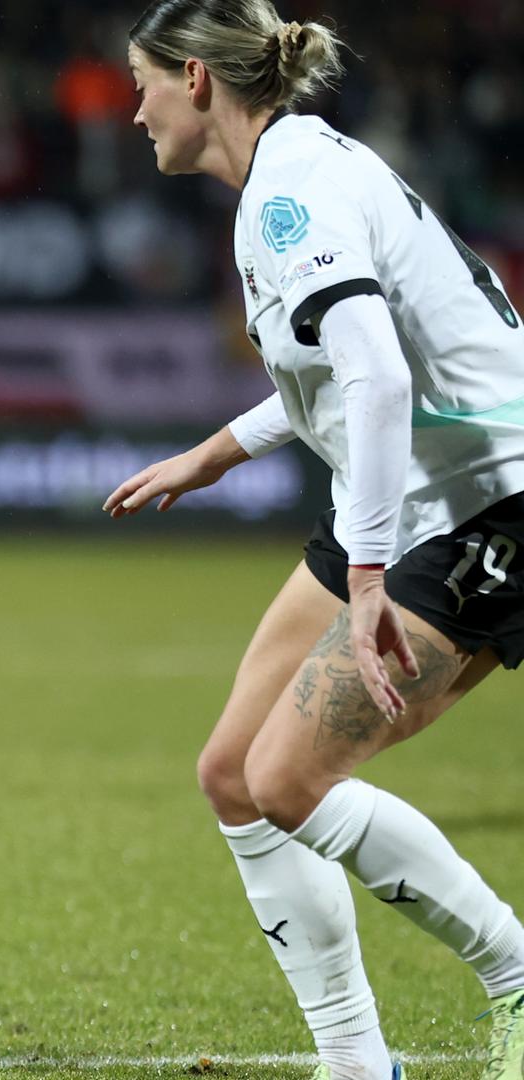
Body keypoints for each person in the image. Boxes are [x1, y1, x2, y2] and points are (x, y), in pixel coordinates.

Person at [105, 4, 524, 1078]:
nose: (131, 106)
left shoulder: (289, 195)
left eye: (142, 81)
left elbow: (380, 375)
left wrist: (372, 578)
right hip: (401, 495)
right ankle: (355, 1063)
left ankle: (518, 976)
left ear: (195, 79)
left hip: (486, 506)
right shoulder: (289, 176)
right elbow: (346, 371)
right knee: (234, 777)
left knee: (289, 778)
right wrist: (218, 452)